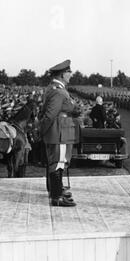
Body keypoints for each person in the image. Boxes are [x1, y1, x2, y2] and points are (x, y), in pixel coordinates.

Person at [39, 59, 77, 207]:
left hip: (58, 132)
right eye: (69, 72)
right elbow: (49, 115)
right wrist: (42, 131)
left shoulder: (53, 88)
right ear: (62, 74)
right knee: (57, 164)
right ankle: (57, 197)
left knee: (57, 163)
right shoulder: (58, 92)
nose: (71, 74)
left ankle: (57, 192)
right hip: (59, 133)